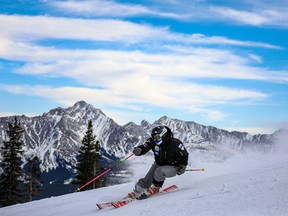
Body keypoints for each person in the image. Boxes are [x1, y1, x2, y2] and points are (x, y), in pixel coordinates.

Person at [131, 125, 189, 199]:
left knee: (159, 171)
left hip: (172, 166)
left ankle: (156, 187)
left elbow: (185, 154)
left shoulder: (175, 143)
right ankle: (138, 190)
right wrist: (139, 150)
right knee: (147, 180)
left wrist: (183, 166)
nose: (155, 139)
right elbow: (145, 146)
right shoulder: (153, 141)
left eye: (157, 137)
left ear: (163, 135)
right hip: (158, 164)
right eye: (153, 137)